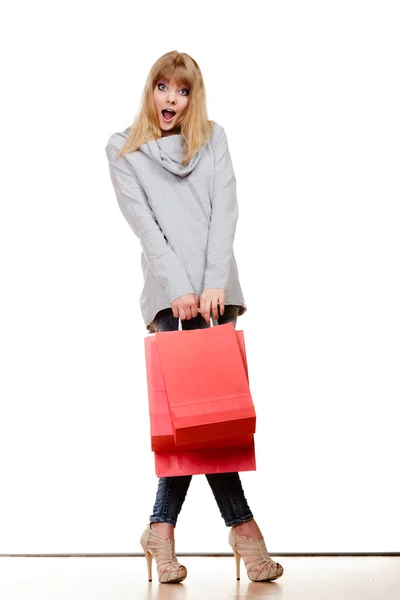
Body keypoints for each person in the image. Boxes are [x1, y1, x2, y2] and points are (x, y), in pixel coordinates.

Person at [105, 50, 284, 585]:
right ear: (150, 90)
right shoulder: (124, 149)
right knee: (193, 423)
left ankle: (162, 528)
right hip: (170, 298)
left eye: (182, 91)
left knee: (209, 421)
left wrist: (211, 282)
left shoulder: (214, 138)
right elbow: (144, 224)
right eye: (163, 87)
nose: (172, 100)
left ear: (193, 97)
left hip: (215, 291)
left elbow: (225, 209)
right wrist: (180, 286)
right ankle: (244, 531)